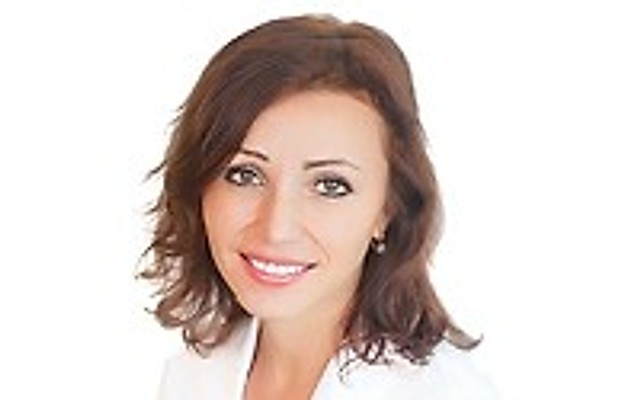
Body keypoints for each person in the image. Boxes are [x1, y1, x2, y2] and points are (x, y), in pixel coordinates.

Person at [142, 14, 499, 400]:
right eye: (245, 175)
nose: (277, 227)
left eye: (330, 186)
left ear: (388, 210)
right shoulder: (191, 375)